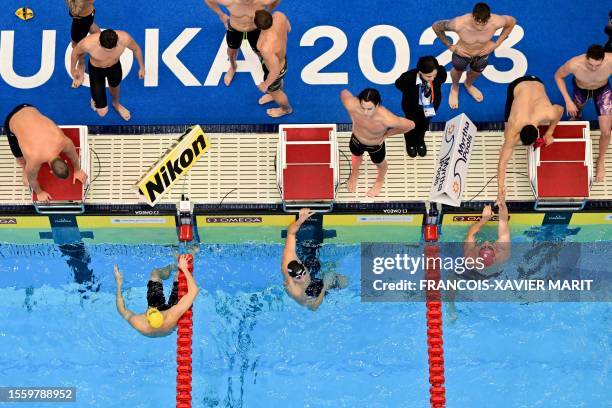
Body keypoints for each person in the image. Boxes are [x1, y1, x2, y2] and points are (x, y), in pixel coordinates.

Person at [432, 2, 516, 109]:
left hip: (482, 55)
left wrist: (497, 44)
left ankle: (468, 84)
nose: (480, 26)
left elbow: (512, 22)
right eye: (477, 22)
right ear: (473, 16)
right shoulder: (459, 23)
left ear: (489, 18)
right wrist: (450, 46)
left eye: (484, 22)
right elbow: (436, 26)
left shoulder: (497, 21)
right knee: (457, 71)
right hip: (462, 54)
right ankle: (455, 87)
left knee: (475, 73)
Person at [497, 75, 564, 201]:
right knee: (507, 136)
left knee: (507, 145)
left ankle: (507, 146)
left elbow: (560, 110)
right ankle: (507, 146)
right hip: (516, 86)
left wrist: (549, 132)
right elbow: (502, 163)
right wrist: (500, 187)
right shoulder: (514, 126)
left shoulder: (548, 113)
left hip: (538, 82)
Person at [3, 105, 88, 202]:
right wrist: (39, 193)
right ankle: (23, 167)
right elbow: (32, 180)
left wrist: (77, 170)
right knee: (20, 158)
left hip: (29, 107)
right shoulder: (34, 160)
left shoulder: (62, 141)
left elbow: (73, 156)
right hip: (12, 120)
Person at [341, 88, 415, 197]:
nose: (365, 113)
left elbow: (410, 125)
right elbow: (344, 93)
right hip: (356, 139)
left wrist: (387, 135)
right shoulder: (351, 104)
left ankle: (380, 180)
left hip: (375, 146)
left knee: (379, 163)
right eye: (363, 108)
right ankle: (355, 172)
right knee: (356, 155)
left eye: (369, 109)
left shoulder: (387, 118)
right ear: (359, 101)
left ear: (377, 105)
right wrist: (352, 117)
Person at [554, 45, 611, 182]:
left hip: (603, 91)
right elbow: (558, 76)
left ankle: (601, 160)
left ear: (603, 59)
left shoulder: (610, 60)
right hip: (581, 90)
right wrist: (568, 101)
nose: (593, 69)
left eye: (597, 66)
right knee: (575, 117)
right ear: (586, 58)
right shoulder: (574, 64)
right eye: (590, 64)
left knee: (607, 132)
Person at [114, 254, 199, 337]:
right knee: (178, 276)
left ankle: (174, 266)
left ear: (146, 317)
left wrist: (118, 284)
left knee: (157, 274)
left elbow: (122, 310)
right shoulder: (172, 315)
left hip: (165, 323)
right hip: (168, 324)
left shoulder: (139, 323)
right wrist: (184, 268)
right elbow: (194, 291)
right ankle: (178, 264)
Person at [70, 29, 145, 121]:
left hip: (114, 68)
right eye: (106, 50)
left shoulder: (125, 38)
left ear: (117, 41)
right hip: (96, 71)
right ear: (99, 43)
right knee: (102, 112)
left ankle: (116, 104)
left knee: (115, 87)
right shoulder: (88, 43)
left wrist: (141, 67)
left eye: (112, 49)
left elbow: (136, 49)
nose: (109, 52)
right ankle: (95, 98)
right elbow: (75, 52)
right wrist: (72, 68)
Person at [281, 208, 348, 311]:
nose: (303, 280)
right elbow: (313, 307)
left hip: (306, 262)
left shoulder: (291, 258)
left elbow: (290, 233)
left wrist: (300, 220)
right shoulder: (297, 292)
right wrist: (325, 286)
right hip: (309, 291)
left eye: (303, 273)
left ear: (302, 265)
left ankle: (324, 268)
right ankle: (327, 274)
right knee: (343, 283)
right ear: (292, 278)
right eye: (298, 278)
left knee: (314, 263)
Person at [204, 0, 281, 86]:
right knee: (231, 51)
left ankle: (267, 66)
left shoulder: (262, 1)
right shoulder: (229, 2)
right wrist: (221, 15)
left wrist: (268, 12)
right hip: (235, 29)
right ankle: (233, 67)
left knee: (260, 51)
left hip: (255, 29)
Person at [394, 56, 447, 157]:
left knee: (424, 125)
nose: (432, 79)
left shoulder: (440, 72)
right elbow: (398, 84)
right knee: (410, 125)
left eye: (434, 76)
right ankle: (410, 142)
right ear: (419, 72)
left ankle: (420, 140)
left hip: (430, 106)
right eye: (428, 77)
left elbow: (442, 79)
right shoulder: (408, 77)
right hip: (412, 107)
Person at [254, 10, 292, 118]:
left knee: (275, 91)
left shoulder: (266, 47)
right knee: (277, 86)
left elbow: (274, 71)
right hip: (281, 58)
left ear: (259, 27)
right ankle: (274, 93)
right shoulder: (280, 15)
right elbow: (289, 28)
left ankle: (286, 109)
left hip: (276, 71)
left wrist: (265, 85)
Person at [463, 202, 510, 271]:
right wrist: (502, 208)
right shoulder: (502, 255)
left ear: (477, 253)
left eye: (483, 247)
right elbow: (504, 234)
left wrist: (484, 219)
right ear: (495, 252)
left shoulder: (470, 258)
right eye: (490, 247)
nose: (486, 242)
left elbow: (470, 234)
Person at [66, 0, 100, 88]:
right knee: (89, 25)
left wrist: (72, 69)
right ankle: (98, 34)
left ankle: (81, 64)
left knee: (77, 46)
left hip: (82, 20)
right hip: (88, 15)